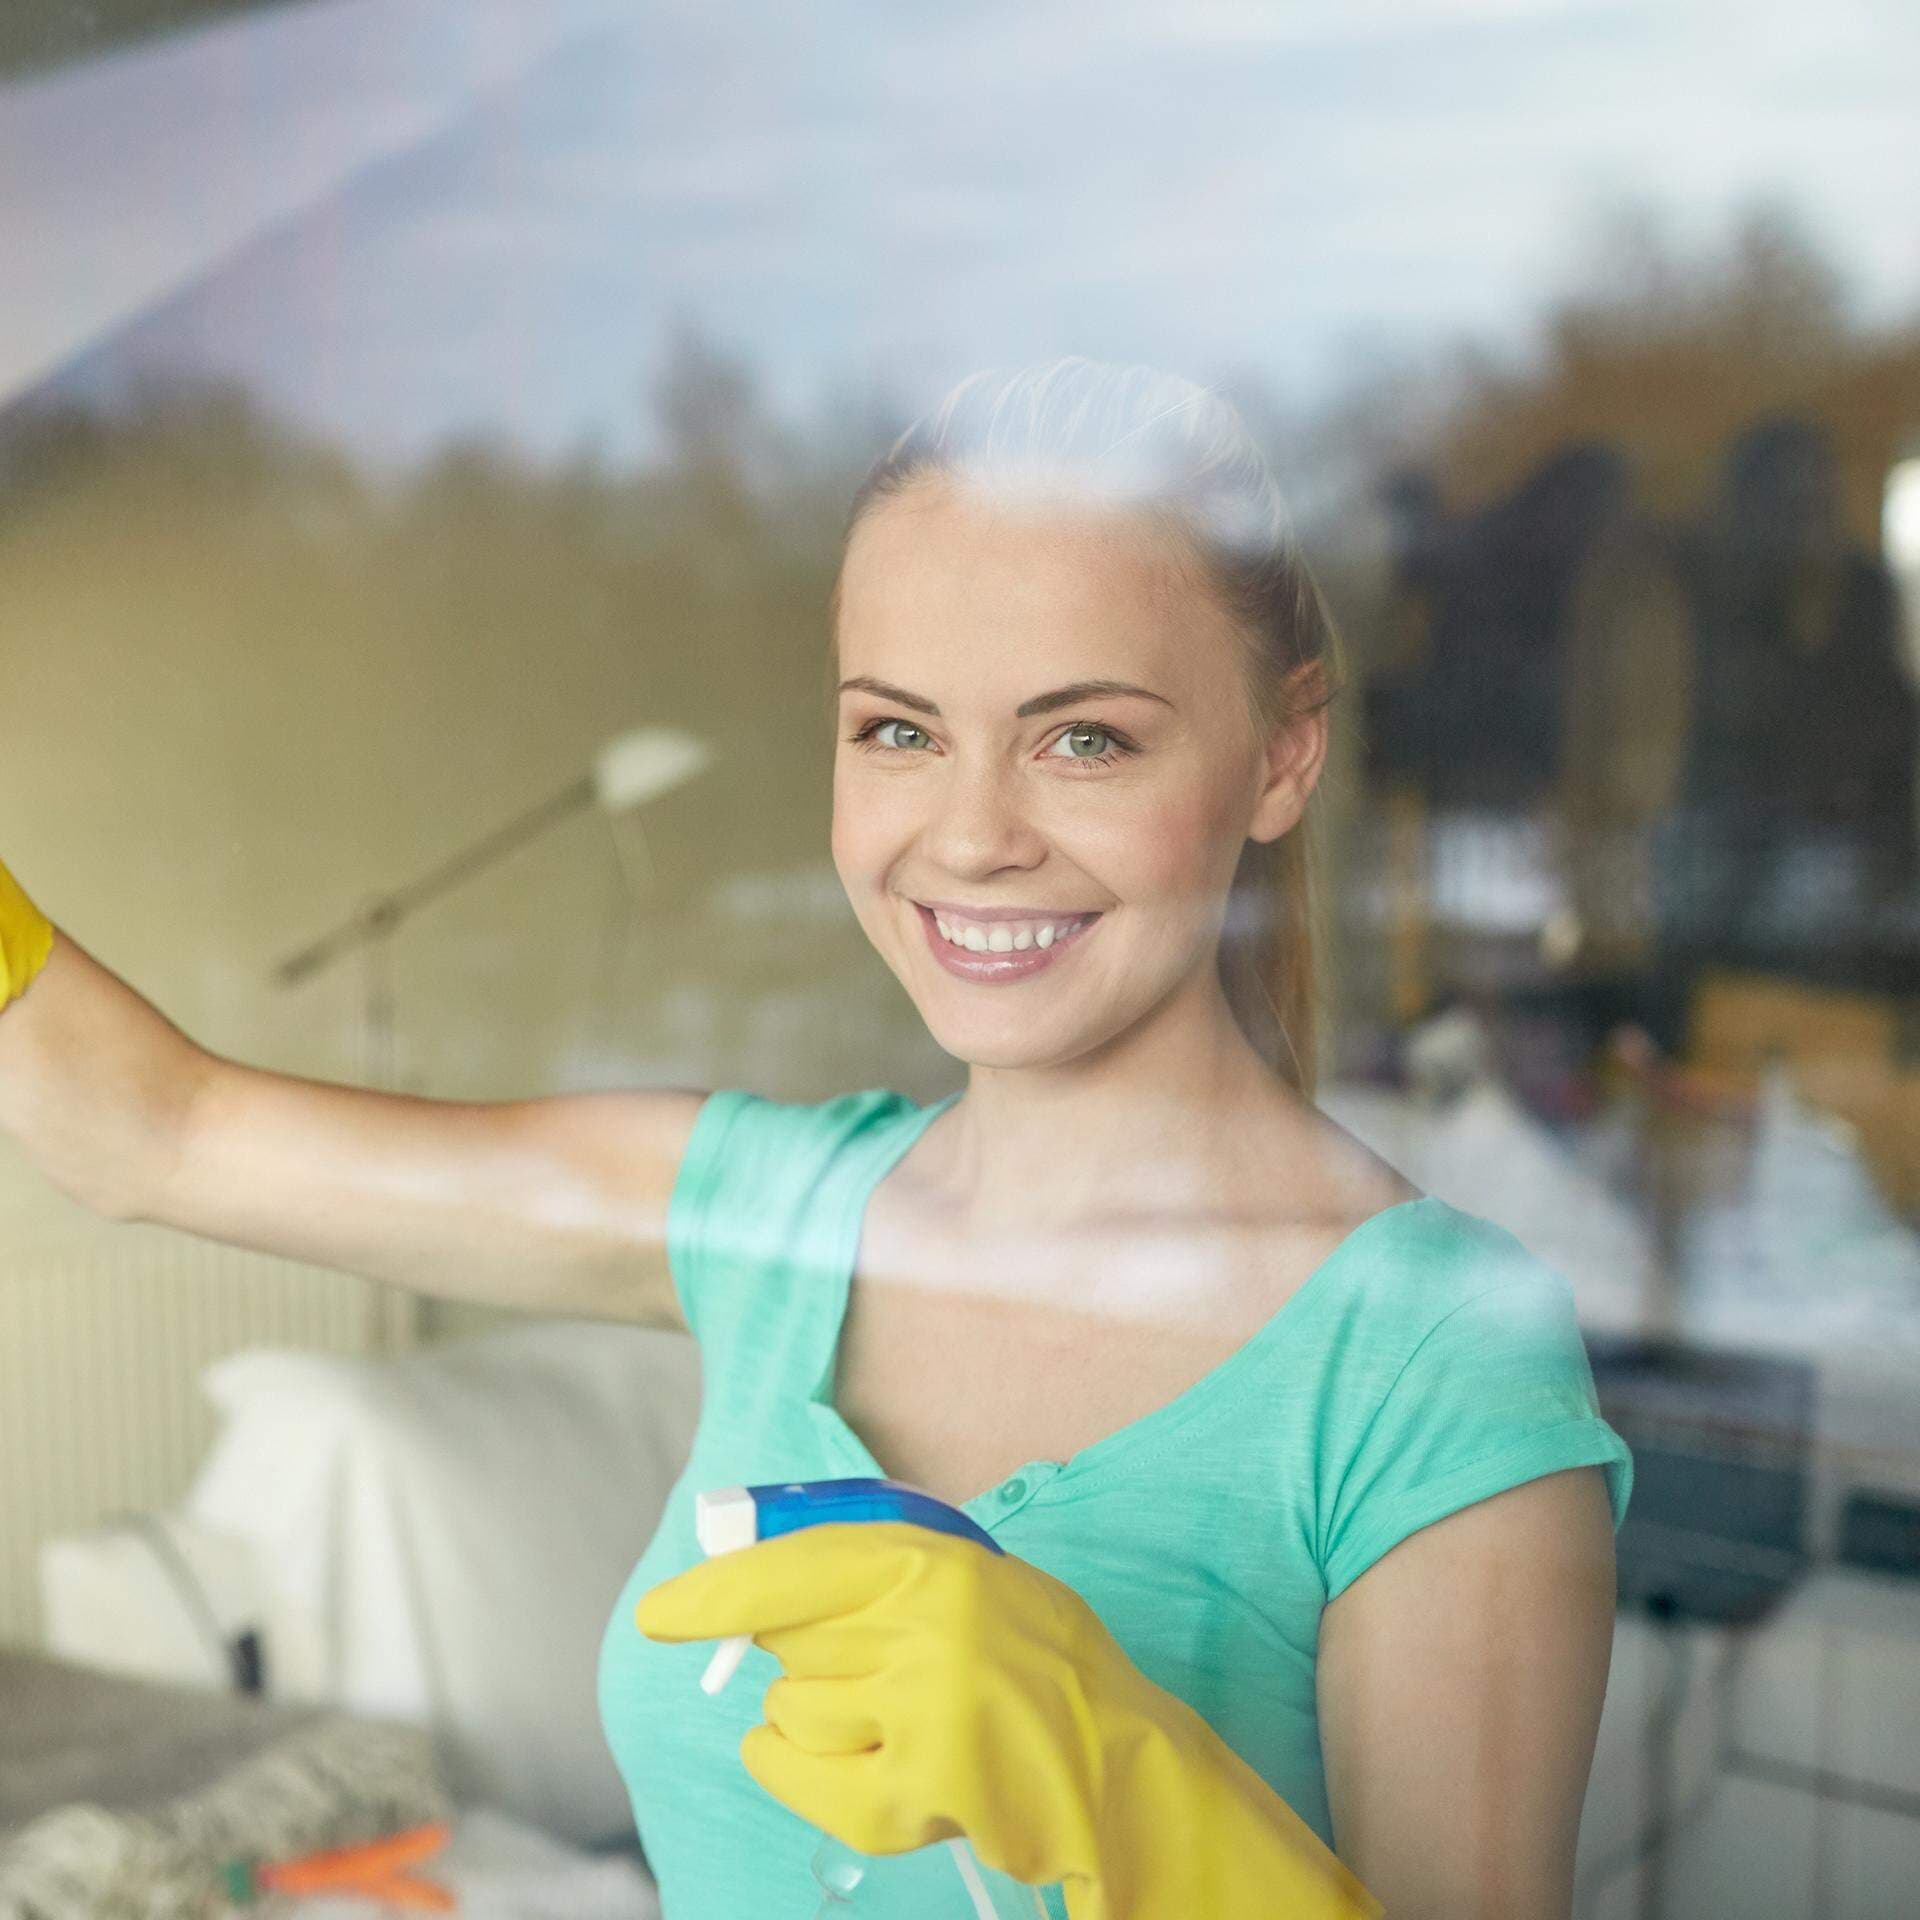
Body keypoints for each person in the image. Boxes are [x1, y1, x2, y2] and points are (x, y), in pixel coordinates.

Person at [0, 357, 1632, 1919]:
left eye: (1086, 738)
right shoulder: (761, 1209)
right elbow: (159, 1132)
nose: (972, 837)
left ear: (1284, 752)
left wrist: (1126, 1780)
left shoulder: (1431, 1358)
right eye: (898, 731)